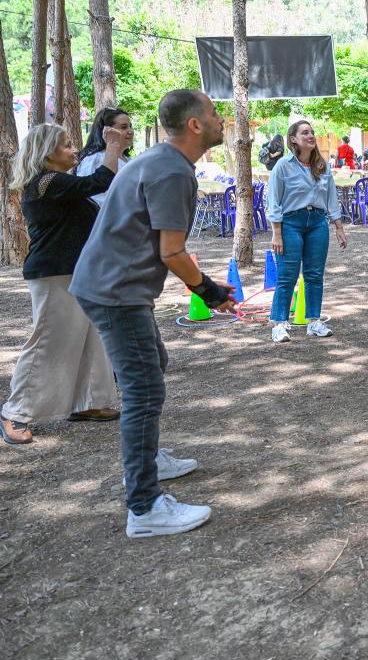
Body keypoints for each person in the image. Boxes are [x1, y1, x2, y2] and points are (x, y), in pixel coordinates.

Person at [71, 89, 238, 537]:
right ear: (195, 125)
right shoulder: (171, 172)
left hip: (109, 285)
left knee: (152, 365)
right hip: (116, 291)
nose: (222, 120)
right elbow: (172, 252)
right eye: (215, 114)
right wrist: (211, 289)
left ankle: (149, 456)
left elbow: (165, 245)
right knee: (145, 388)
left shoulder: (160, 161)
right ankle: (143, 507)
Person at [1, 124, 124, 445]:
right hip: (54, 271)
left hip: (76, 271)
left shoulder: (55, 184)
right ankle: (14, 412)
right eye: (67, 145)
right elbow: (98, 182)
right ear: (47, 153)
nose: (74, 150)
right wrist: (112, 149)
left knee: (90, 338)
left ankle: (89, 403)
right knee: (48, 340)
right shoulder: (47, 182)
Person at [266, 120, 349, 343]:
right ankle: (280, 324)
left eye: (312, 132)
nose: (311, 135)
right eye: (305, 133)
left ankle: (314, 322)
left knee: (314, 274)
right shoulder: (283, 166)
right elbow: (273, 200)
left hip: (317, 223)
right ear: (293, 139)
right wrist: (277, 232)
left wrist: (338, 227)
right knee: (287, 275)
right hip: (291, 223)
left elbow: (331, 198)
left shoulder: (323, 166)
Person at [75, 106, 135, 205]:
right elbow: (91, 197)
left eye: (130, 126)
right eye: (124, 127)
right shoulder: (94, 159)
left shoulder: (129, 160)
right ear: (106, 131)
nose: (130, 131)